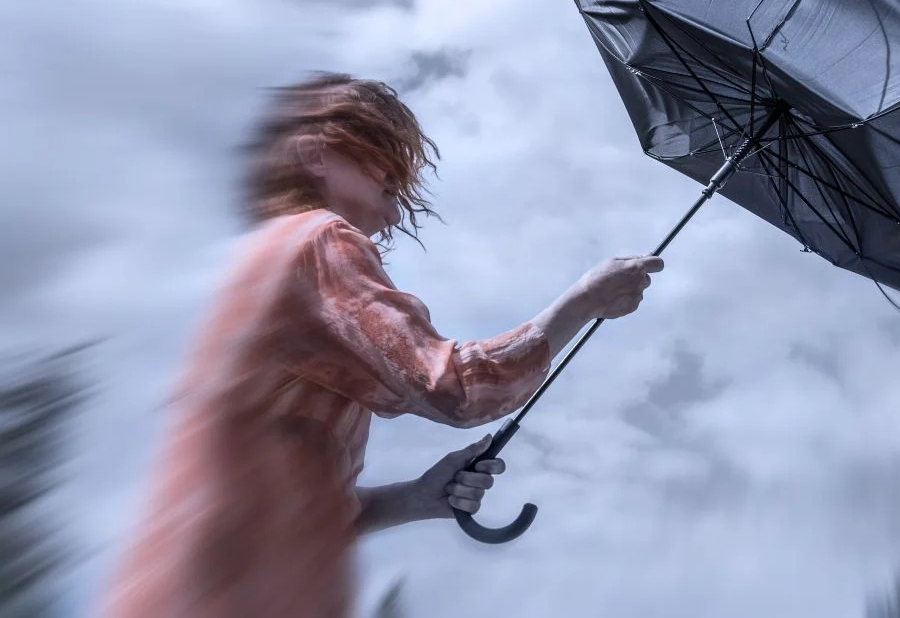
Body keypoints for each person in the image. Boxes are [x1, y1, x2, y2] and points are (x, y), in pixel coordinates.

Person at [100, 72, 663, 617]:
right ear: (318, 153)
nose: (393, 213)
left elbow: (315, 515)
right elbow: (458, 389)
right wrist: (584, 302)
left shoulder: (272, 265)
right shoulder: (318, 241)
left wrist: (418, 497)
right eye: (387, 183)